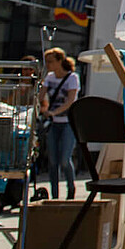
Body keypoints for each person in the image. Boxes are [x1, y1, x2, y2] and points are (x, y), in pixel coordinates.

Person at [39, 47, 80, 200]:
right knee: (53, 161)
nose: (48, 65)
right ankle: (55, 194)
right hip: (53, 123)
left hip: (68, 122)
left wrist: (54, 112)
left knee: (64, 159)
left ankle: (71, 189)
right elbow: (41, 97)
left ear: (59, 61)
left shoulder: (72, 78)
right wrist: (43, 106)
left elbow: (70, 100)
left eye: (51, 62)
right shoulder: (50, 78)